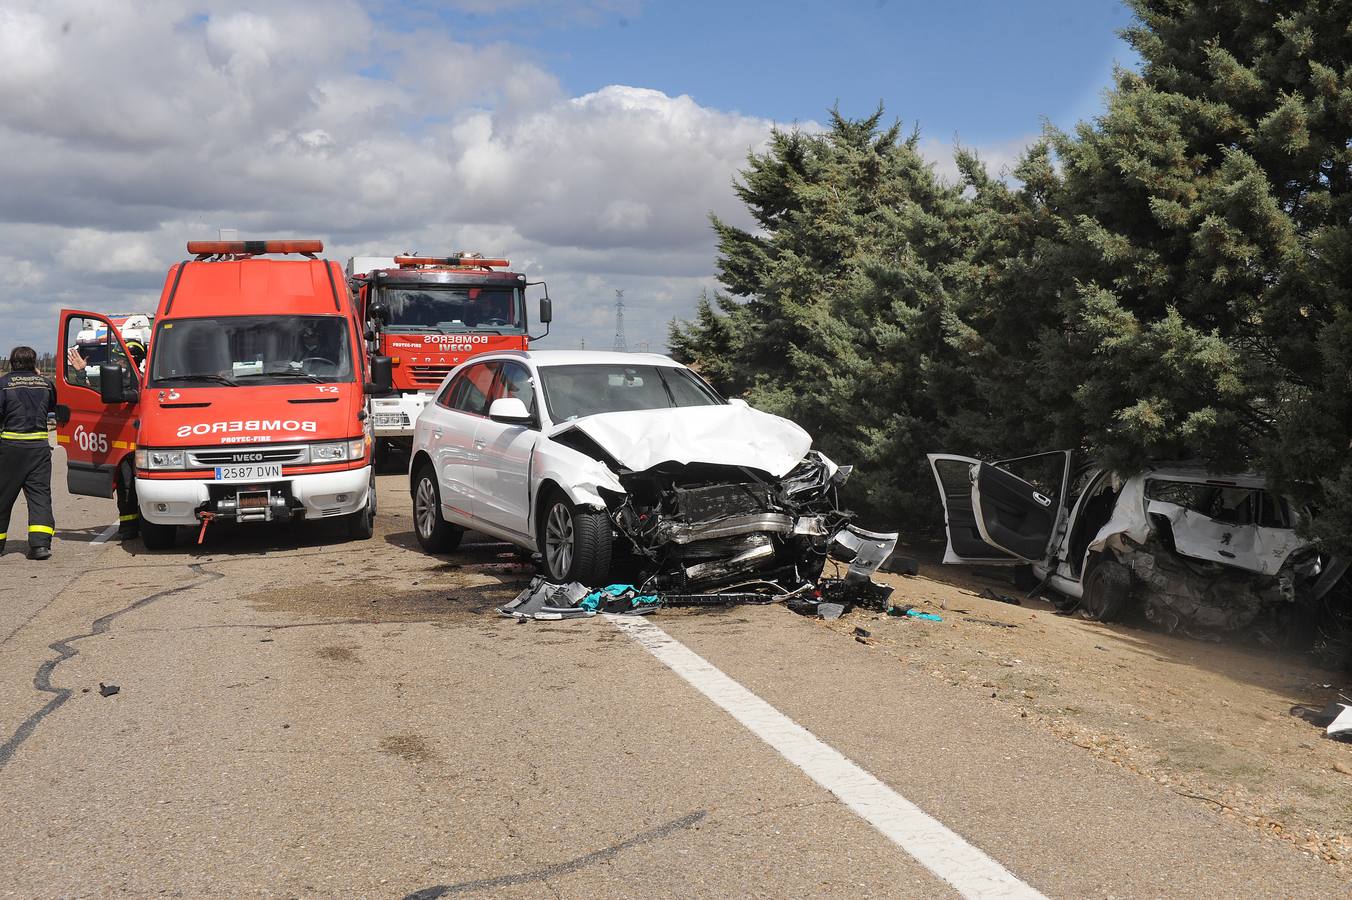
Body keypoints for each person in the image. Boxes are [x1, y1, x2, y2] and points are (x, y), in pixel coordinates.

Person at [66, 340, 146, 540]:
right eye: (122, 358)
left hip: (147, 443)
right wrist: (82, 372)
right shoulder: (109, 381)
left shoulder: (148, 381)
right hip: (121, 444)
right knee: (126, 484)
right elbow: (90, 397)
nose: (123, 363)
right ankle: (129, 525)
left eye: (130, 358)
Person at [0, 346, 56, 559]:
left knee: (2, 497)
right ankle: (40, 546)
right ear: (35, 363)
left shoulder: (4, 384)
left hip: (10, 449)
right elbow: (54, 408)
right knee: (40, 496)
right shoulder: (46, 384)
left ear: (11, 363)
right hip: (39, 450)